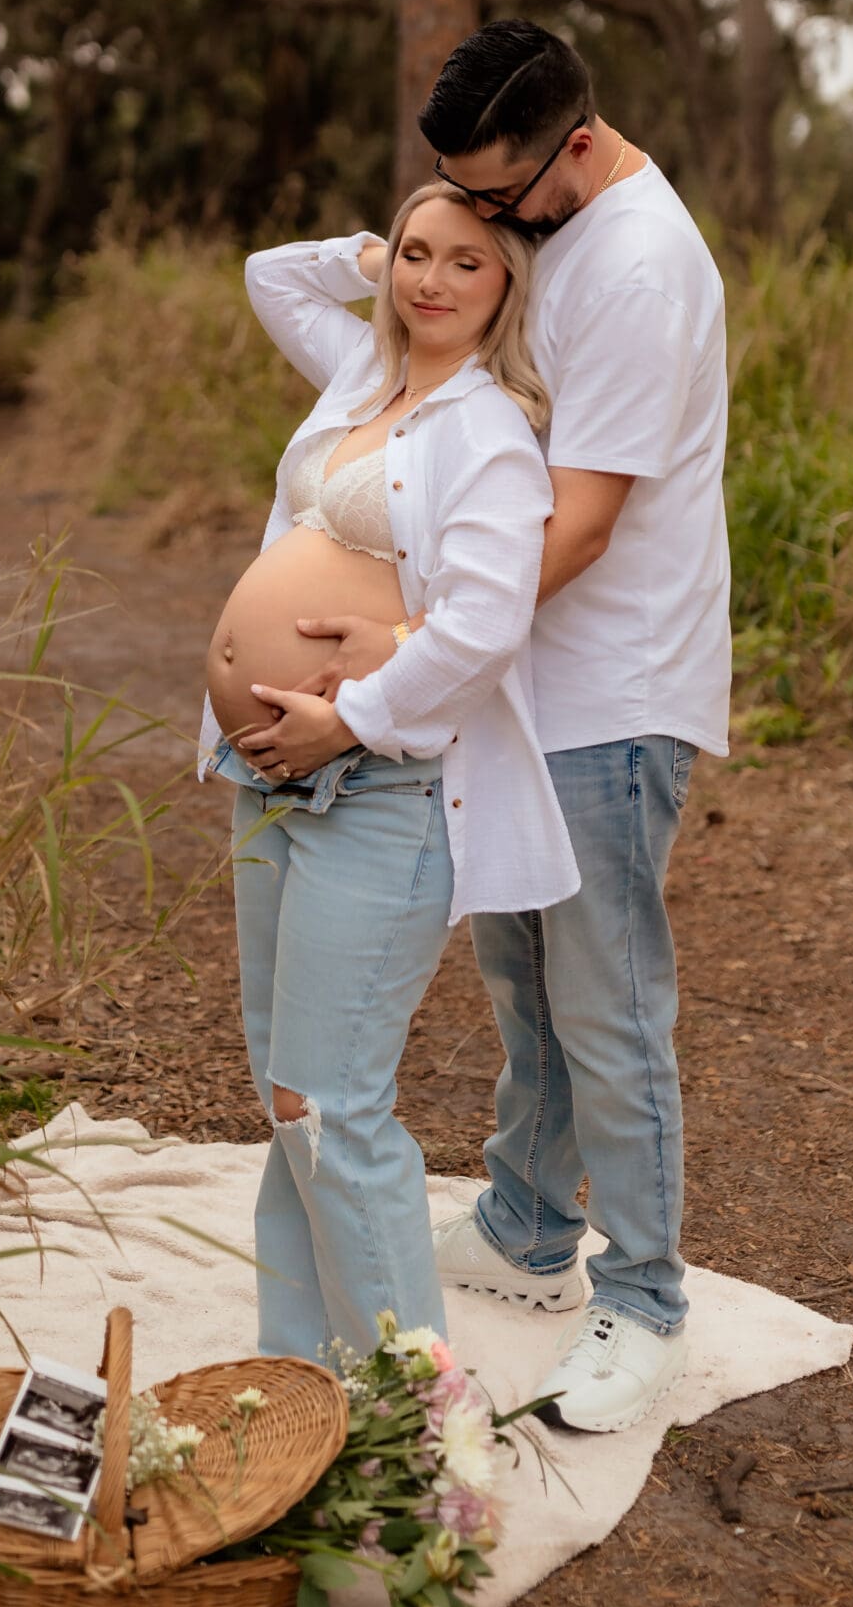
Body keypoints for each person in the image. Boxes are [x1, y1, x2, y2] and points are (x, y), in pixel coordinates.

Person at [296, 22, 731, 1433]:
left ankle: (647, 1303)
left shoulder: (643, 267)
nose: (481, 219)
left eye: (498, 196)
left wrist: (422, 644)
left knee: (606, 1003)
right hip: (518, 683)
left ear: (577, 146)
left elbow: (585, 522)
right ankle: (529, 1229)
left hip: (608, 686)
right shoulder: (548, 226)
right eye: (456, 193)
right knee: (519, 976)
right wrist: (398, 260)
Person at [202, 182, 579, 1362]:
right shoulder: (364, 382)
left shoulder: (491, 430)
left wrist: (349, 717)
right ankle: (302, 1386)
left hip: (374, 794)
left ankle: (410, 1433)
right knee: (289, 1104)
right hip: (269, 784)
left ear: (510, 282)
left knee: (334, 1108)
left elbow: (484, 626)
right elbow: (271, 271)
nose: (430, 281)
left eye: (466, 262)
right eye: (417, 257)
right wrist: (373, 251)